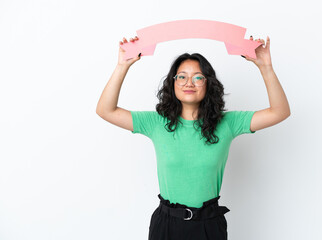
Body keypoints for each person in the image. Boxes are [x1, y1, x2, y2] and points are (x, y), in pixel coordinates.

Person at [96, 35, 290, 240]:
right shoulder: (156, 123)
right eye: (182, 76)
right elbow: (105, 110)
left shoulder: (228, 123)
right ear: (173, 83)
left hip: (209, 226)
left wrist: (265, 67)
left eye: (198, 77)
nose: (189, 82)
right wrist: (122, 66)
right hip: (166, 225)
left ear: (208, 84)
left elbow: (279, 112)